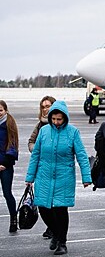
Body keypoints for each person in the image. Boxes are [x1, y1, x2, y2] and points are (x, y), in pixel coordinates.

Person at [25, 100, 92, 255]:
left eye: (59, 119)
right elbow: (35, 155)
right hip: (44, 175)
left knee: (60, 210)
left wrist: (86, 177)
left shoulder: (73, 132)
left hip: (64, 177)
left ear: (65, 118)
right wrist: (30, 176)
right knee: (43, 209)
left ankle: (62, 242)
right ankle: (55, 233)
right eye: (53, 119)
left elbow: (81, 155)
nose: (56, 122)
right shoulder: (44, 131)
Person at [27, 95, 56, 238]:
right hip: (41, 167)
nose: (45, 109)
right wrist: (36, 149)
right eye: (43, 107)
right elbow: (31, 142)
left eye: (48, 106)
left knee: (56, 203)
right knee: (42, 201)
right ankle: (51, 226)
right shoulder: (40, 125)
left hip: (57, 169)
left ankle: (55, 230)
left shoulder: (60, 125)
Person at [0, 101, 19, 233]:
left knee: (7, 193)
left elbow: (13, 147)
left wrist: (4, 164)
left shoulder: (9, 125)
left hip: (5, 166)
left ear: (5, 110)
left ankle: (13, 218)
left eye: (0, 110)